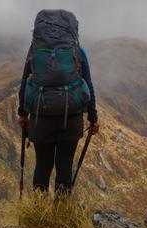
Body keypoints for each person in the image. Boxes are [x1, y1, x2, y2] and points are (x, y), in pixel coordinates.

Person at [16, 10, 100, 196]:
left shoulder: (35, 52)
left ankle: (38, 214)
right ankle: (61, 215)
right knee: (64, 166)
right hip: (71, 118)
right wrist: (93, 117)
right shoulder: (78, 52)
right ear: (73, 31)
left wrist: (22, 114)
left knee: (43, 165)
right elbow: (88, 84)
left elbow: (24, 84)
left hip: (41, 116)